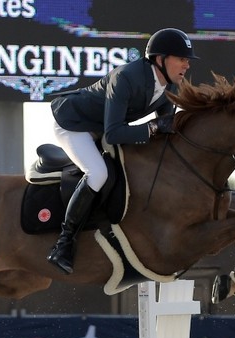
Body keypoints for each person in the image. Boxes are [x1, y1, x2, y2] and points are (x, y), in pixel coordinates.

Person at [46, 27, 196, 273]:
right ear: (160, 59)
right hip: (74, 123)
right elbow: (115, 133)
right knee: (98, 173)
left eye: (187, 60)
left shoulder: (171, 87)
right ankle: (64, 243)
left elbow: (165, 134)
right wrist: (153, 126)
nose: (186, 65)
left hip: (101, 127)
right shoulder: (126, 77)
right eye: (181, 59)